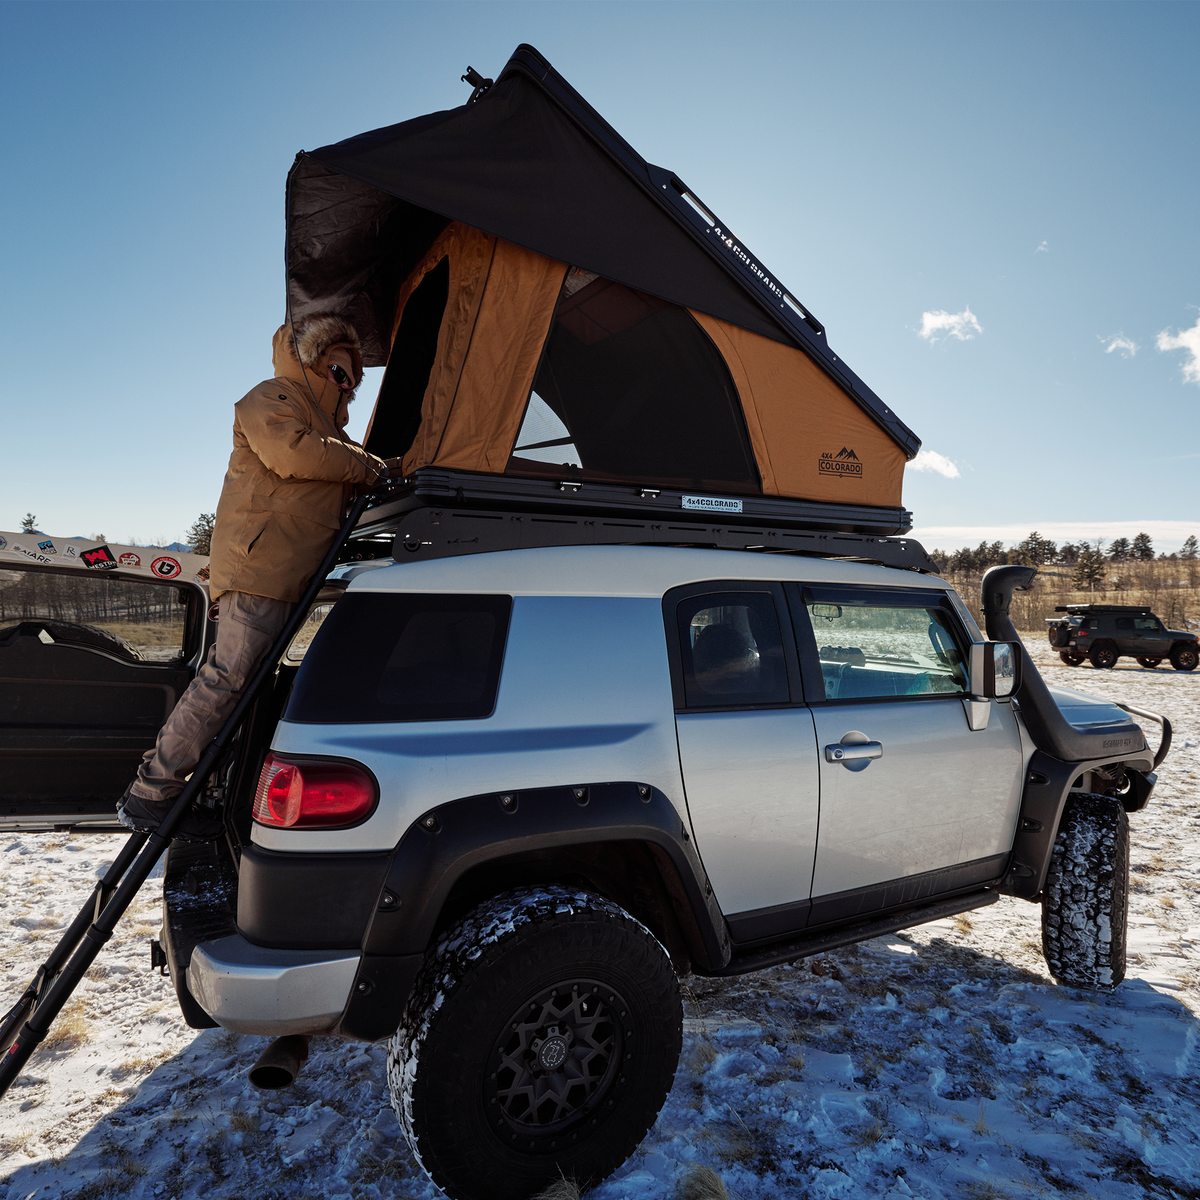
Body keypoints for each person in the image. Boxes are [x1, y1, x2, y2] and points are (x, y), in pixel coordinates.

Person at [118, 313, 390, 841]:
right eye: (339, 369)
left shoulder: (336, 434)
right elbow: (295, 455)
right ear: (313, 359)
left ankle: (210, 788)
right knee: (227, 678)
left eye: (354, 377)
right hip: (260, 567)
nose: (347, 382)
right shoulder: (274, 397)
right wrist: (370, 466)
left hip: (289, 571)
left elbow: (334, 476)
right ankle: (151, 792)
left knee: (249, 688)